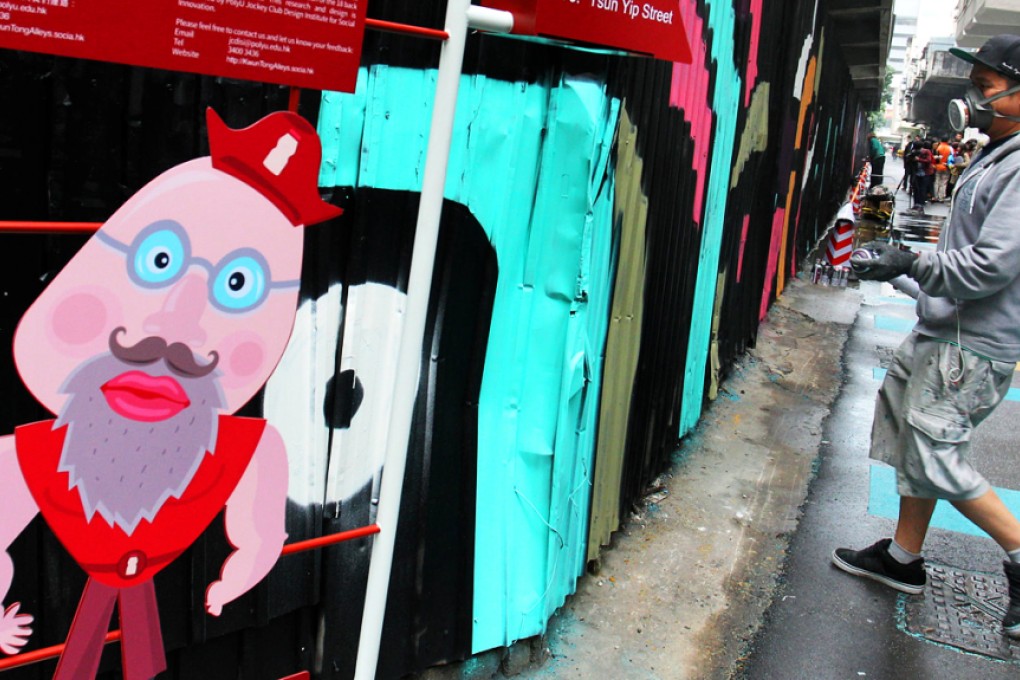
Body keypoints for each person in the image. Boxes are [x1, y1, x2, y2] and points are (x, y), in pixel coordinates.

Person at [0, 109, 342, 677]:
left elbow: (261, 523)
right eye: (158, 261)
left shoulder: (242, 450)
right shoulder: (28, 459)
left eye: (238, 285)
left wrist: (244, 569)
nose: (177, 331)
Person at [833, 34, 1020, 640]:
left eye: (988, 88)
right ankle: (903, 558)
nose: (975, 98)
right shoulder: (999, 152)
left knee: (937, 457)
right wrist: (910, 280)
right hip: (945, 331)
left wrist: (910, 263)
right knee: (913, 447)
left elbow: (990, 267)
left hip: (970, 348)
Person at [910, 140, 934, 212]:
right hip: (916, 172)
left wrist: (919, 159)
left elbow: (929, 160)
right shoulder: (914, 152)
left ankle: (921, 204)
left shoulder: (926, 152)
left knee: (922, 189)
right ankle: (916, 203)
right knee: (916, 188)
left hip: (925, 173)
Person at [933, 136, 954, 201]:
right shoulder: (950, 148)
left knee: (937, 181)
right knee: (944, 182)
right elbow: (952, 157)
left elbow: (935, 157)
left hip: (938, 166)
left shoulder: (938, 147)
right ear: (948, 141)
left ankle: (935, 196)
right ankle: (941, 197)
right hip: (946, 166)